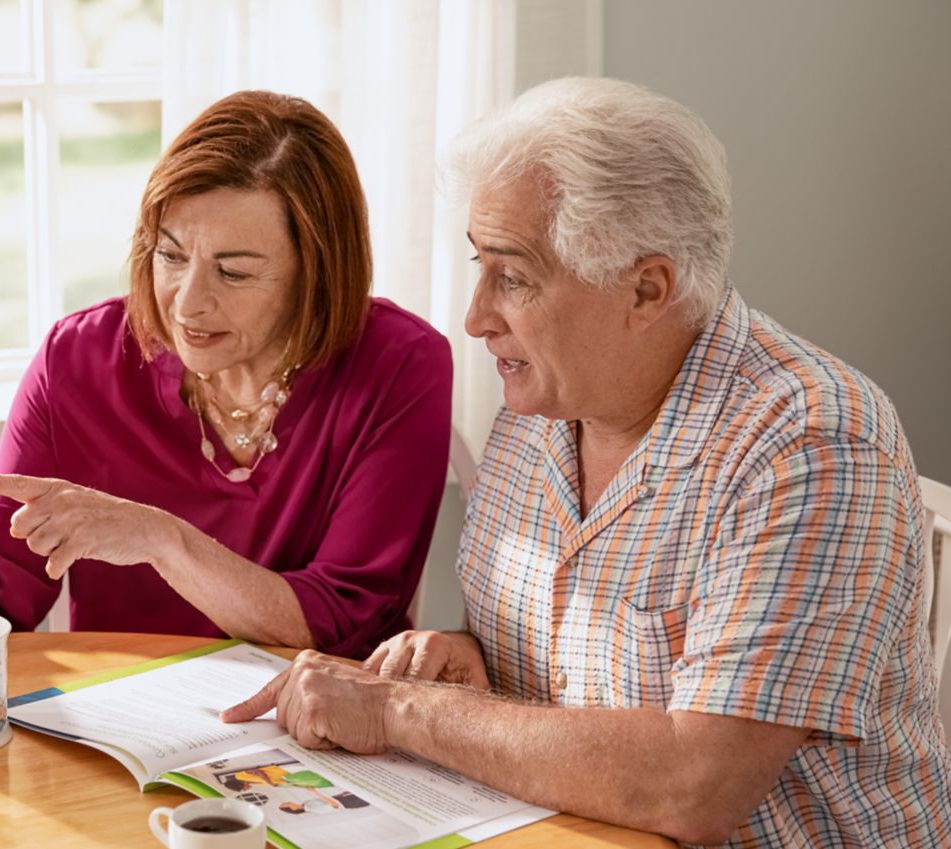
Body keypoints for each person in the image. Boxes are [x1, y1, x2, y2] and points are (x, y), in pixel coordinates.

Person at [223, 77, 951, 846]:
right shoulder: (540, 412)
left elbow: (693, 785)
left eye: (512, 276)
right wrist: (464, 658)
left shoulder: (809, 442)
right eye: (477, 265)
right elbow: (540, 673)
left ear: (646, 289)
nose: (474, 316)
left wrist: (395, 708)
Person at [0, 90, 454, 658]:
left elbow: (348, 621)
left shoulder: (399, 365)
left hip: (315, 749)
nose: (186, 302)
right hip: (120, 743)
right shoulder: (80, 360)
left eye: (232, 272)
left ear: (317, 273)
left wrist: (160, 540)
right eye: (170, 255)